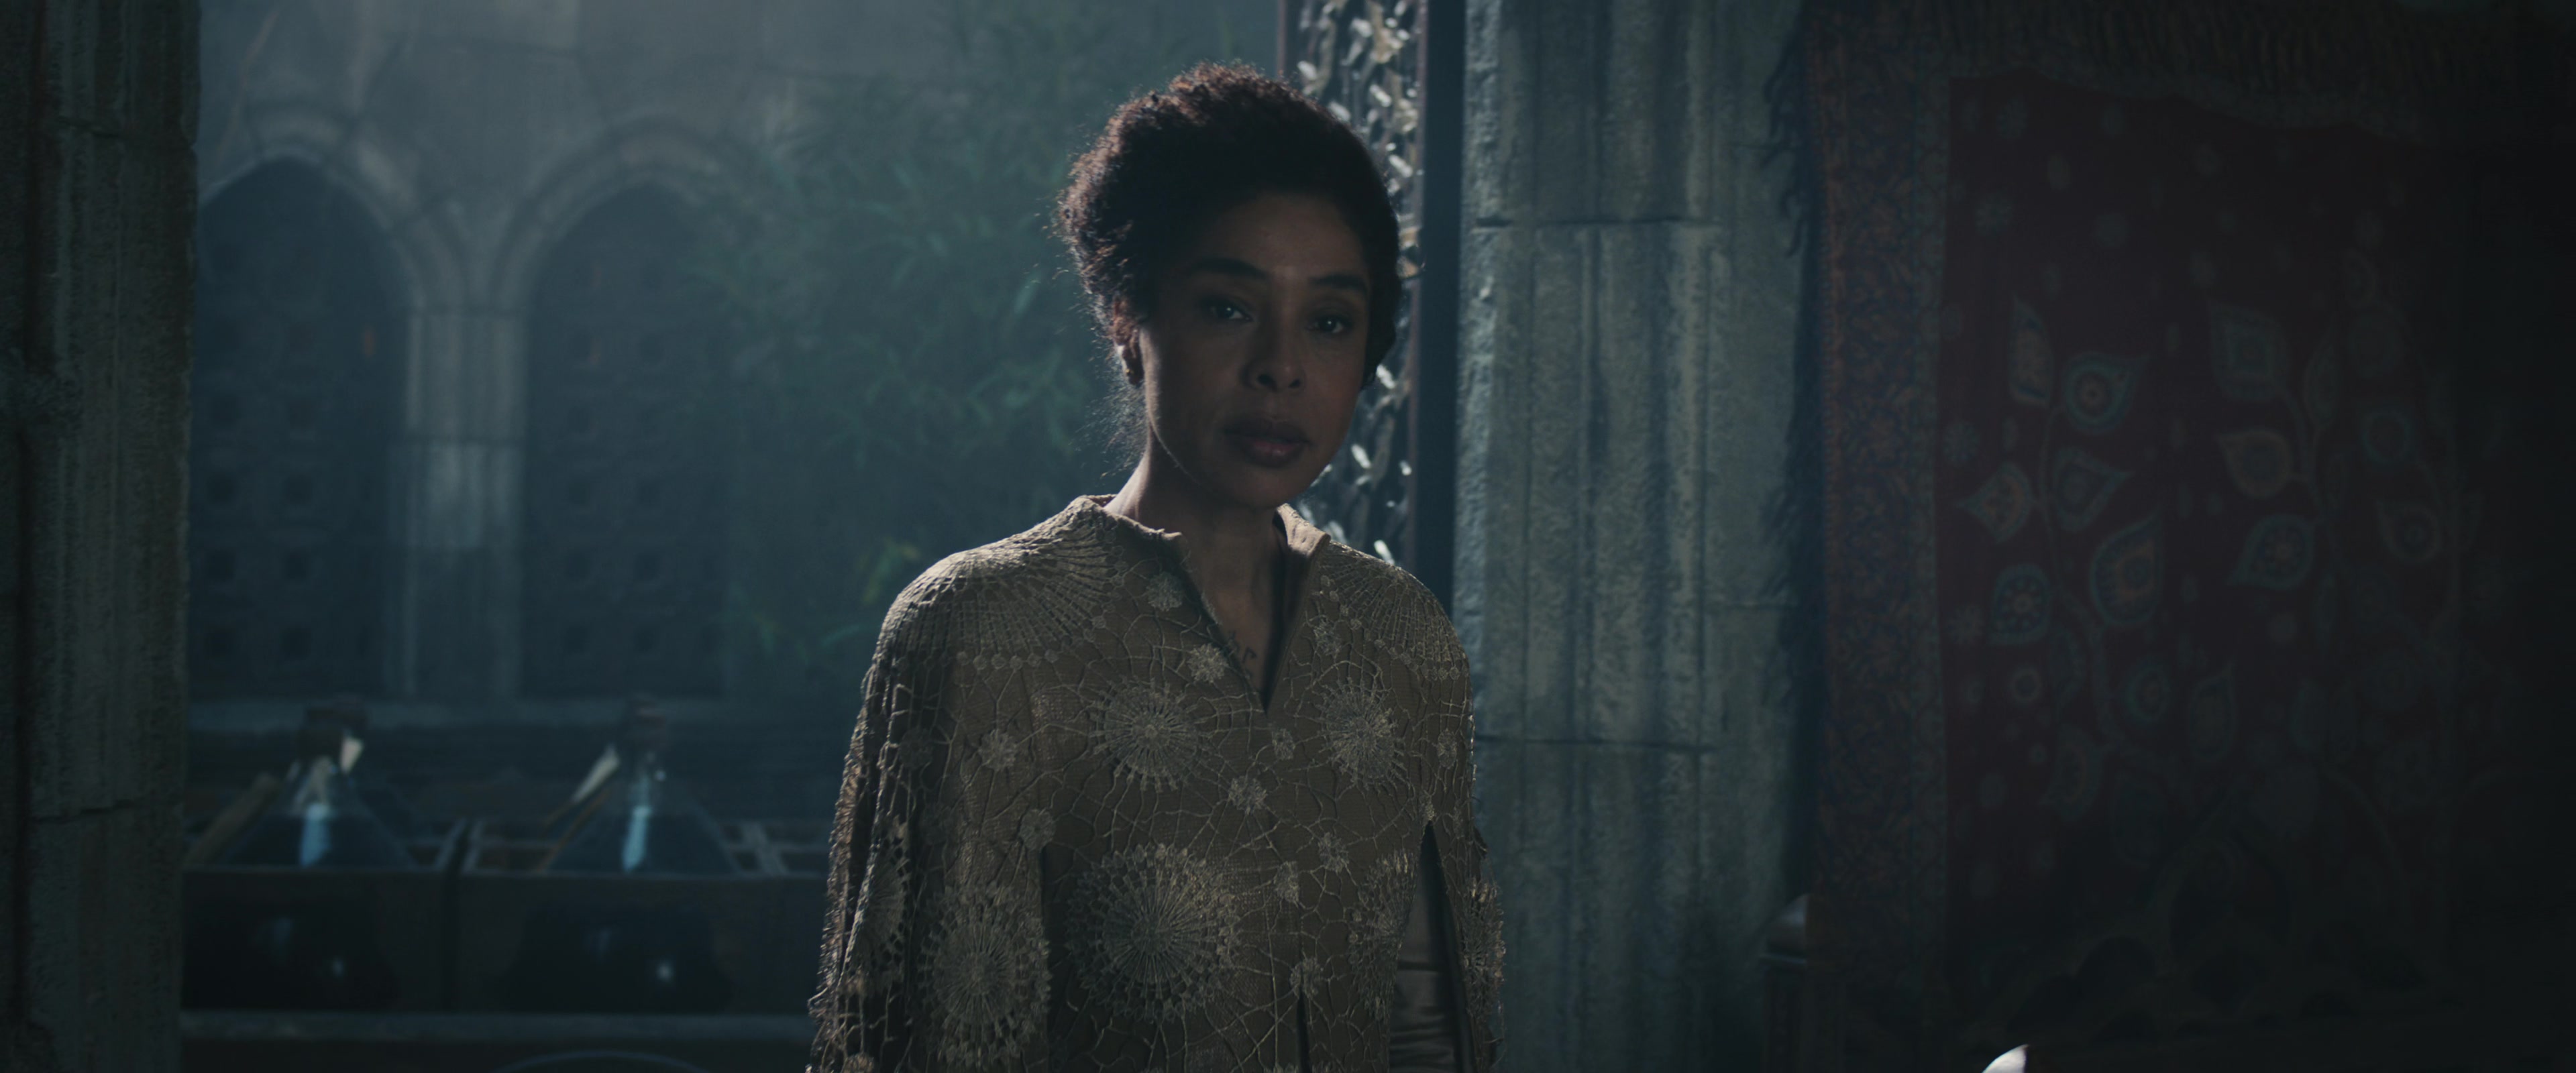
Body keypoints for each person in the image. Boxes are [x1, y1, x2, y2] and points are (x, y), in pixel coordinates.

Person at [806, 64, 1502, 1072]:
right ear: (1130, 321)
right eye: (1228, 307)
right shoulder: (984, 633)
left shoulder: (1404, 640)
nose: (1282, 366)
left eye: (1330, 322)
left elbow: (1429, 1029)